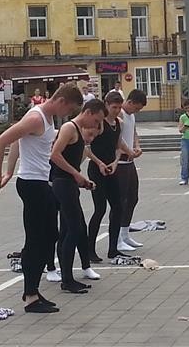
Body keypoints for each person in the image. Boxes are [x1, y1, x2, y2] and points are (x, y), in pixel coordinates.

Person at [0, 82, 83, 314]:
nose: (68, 115)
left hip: (39, 183)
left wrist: (9, 173)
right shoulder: (36, 118)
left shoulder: (47, 119)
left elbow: (18, 142)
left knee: (48, 237)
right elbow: (0, 142)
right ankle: (30, 296)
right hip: (32, 185)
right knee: (38, 240)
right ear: (61, 101)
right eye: (69, 110)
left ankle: (33, 291)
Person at [50, 100, 106, 293]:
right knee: (74, 229)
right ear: (88, 112)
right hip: (62, 183)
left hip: (69, 183)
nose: (96, 125)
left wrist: (82, 180)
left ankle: (68, 277)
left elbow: (71, 160)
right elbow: (55, 155)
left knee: (70, 229)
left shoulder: (78, 132)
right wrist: (76, 174)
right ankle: (67, 279)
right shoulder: (69, 128)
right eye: (96, 120)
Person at [85, 91, 138, 261]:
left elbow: (118, 145)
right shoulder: (98, 124)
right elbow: (87, 147)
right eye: (113, 107)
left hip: (111, 169)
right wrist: (99, 163)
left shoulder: (119, 123)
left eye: (119, 107)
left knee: (118, 207)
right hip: (96, 169)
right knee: (100, 209)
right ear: (106, 105)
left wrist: (116, 161)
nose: (116, 110)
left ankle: (113, 248)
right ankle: (90, 250)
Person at [115, 89, 146, 252]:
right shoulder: (119, 114)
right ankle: (117, 238)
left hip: (130, 162)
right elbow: (117, 139)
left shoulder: (131, 116)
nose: (137, 111)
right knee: (121, 201)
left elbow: (133, 132)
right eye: (136, 108)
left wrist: (137, 146)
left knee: (133, 197)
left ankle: (125, 233)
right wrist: (128, 151)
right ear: (130, 102)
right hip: (120, 162)